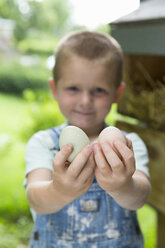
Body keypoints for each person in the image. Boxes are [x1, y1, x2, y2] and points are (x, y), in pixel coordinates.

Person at [24, 30, 151, 248]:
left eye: (99, 90)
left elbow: (139, 198)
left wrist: (123, 186)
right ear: (55, 89)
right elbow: (35, 199)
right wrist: (59, 191)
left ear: (117, 93)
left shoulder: (128, 144)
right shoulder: (43, 143)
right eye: (73, 88)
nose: (85, 101)